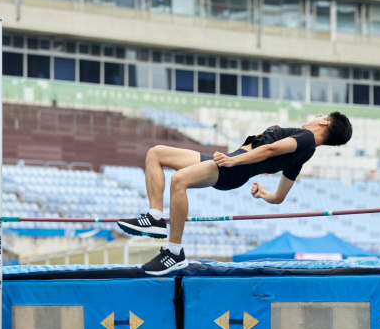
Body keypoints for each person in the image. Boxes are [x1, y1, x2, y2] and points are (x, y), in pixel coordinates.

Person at [118, 112, 353, 275]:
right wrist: (264, 194)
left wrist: (232, 160)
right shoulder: (305, 150)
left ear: (325, 123)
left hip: (232, 168)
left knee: (179, 181)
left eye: (322, 115)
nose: (317, 116)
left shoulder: (307, 139)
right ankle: (155, 217)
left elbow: (269, 150)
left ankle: (174, 252)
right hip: (229, 164)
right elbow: (279, 198)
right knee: (156, 153)